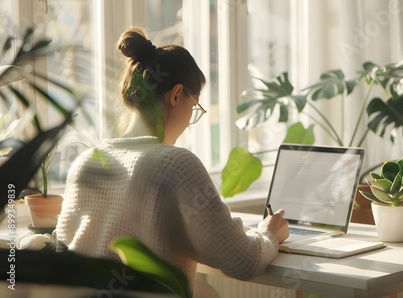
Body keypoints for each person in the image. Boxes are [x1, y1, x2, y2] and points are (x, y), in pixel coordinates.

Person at [55, 26, 289, 289]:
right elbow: (243, 261)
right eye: (194, 107)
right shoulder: (176, 165)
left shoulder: (85, 162)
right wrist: (269, 234)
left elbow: (66, 246)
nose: (190, 120)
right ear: (177, 95)